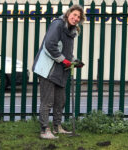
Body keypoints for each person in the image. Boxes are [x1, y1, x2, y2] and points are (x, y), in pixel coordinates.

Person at [32, 4, 85, 139]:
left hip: (60, 71)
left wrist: (74, 61)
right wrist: (64, 60)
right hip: (48, 69)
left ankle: (57, 127)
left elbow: (66, 52)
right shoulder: (58, 24)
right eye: (74, 15)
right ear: (68, 14)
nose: (76, 18)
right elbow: (49, 45)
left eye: (79, 17)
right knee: (47, 101)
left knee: (60, 101)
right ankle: (44, 130)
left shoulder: (71, 31)